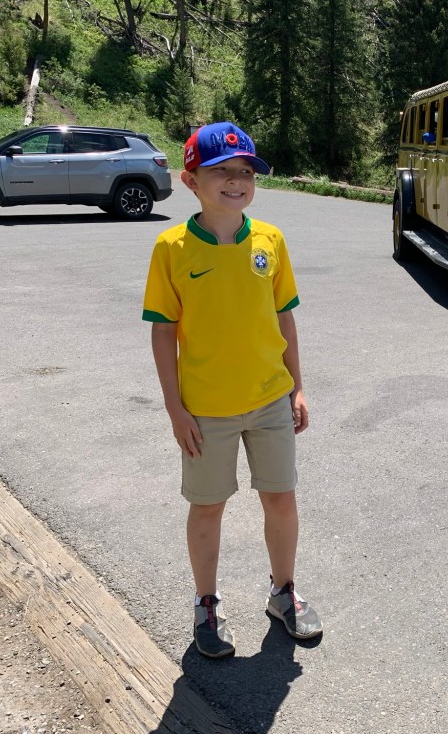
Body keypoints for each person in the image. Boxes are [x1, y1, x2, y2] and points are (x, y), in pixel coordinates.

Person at [142, 121, 322, 657]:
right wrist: (175, 409)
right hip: (206, 410)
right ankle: (206, 604)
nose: (236, 181)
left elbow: (285, 319)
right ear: (190, 180)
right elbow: (163, 332)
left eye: (246, 171)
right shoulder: (171, 247)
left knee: (281, 499)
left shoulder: (270, 240)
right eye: (221, 171)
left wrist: (298, 388)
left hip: (270, 398)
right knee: (207, 507)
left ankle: (283, 592)